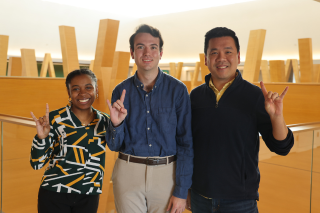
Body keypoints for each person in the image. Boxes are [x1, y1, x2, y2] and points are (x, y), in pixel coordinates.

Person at [187, 27, 294, 212]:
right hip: (199, 197)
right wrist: (185, 189)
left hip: (240, 202)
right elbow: (186, 146)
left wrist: (277, 117)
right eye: (214, 52)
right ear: (205, 59)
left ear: (238, 56)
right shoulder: (194, 97)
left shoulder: (255, 96)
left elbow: (282, 147)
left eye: (228, 52)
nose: (221, 58)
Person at [105, 24, 193, 213]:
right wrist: (116, 124)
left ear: (161, 53)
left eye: (153, 47)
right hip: (128, 171)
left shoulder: (178, 90)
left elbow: (186, 143)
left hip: (167, 174)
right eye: (140, 47)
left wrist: (182, 190)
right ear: (132, 52)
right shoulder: (120, 91)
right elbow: (113, 145)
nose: (147, 52)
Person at [30, 69, 126, 213]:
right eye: (75, 89)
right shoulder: (54, 119)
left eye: (88, 87)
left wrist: (117, 125)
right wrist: (42, 138)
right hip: (55, 192)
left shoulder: (106, 121)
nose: (82, 93)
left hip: (89, 195)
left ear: (96, 90)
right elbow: (37, 164)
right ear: (69, 93)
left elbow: (117, 146)